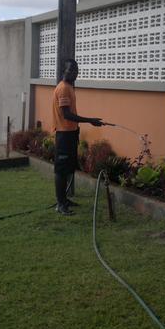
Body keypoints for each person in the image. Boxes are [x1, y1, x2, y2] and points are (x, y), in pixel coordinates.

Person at [53, 58, 102, 215]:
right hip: (63, 134)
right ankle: (60, 204)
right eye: (70, 70)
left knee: (68, 168)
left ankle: (65, 200)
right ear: (63, 71)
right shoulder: (63, 89)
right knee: (61, 171)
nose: (73, 73)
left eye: (75, 70)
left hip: (71, 133)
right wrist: (90, 120)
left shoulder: (69, 87)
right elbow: (67, 115)